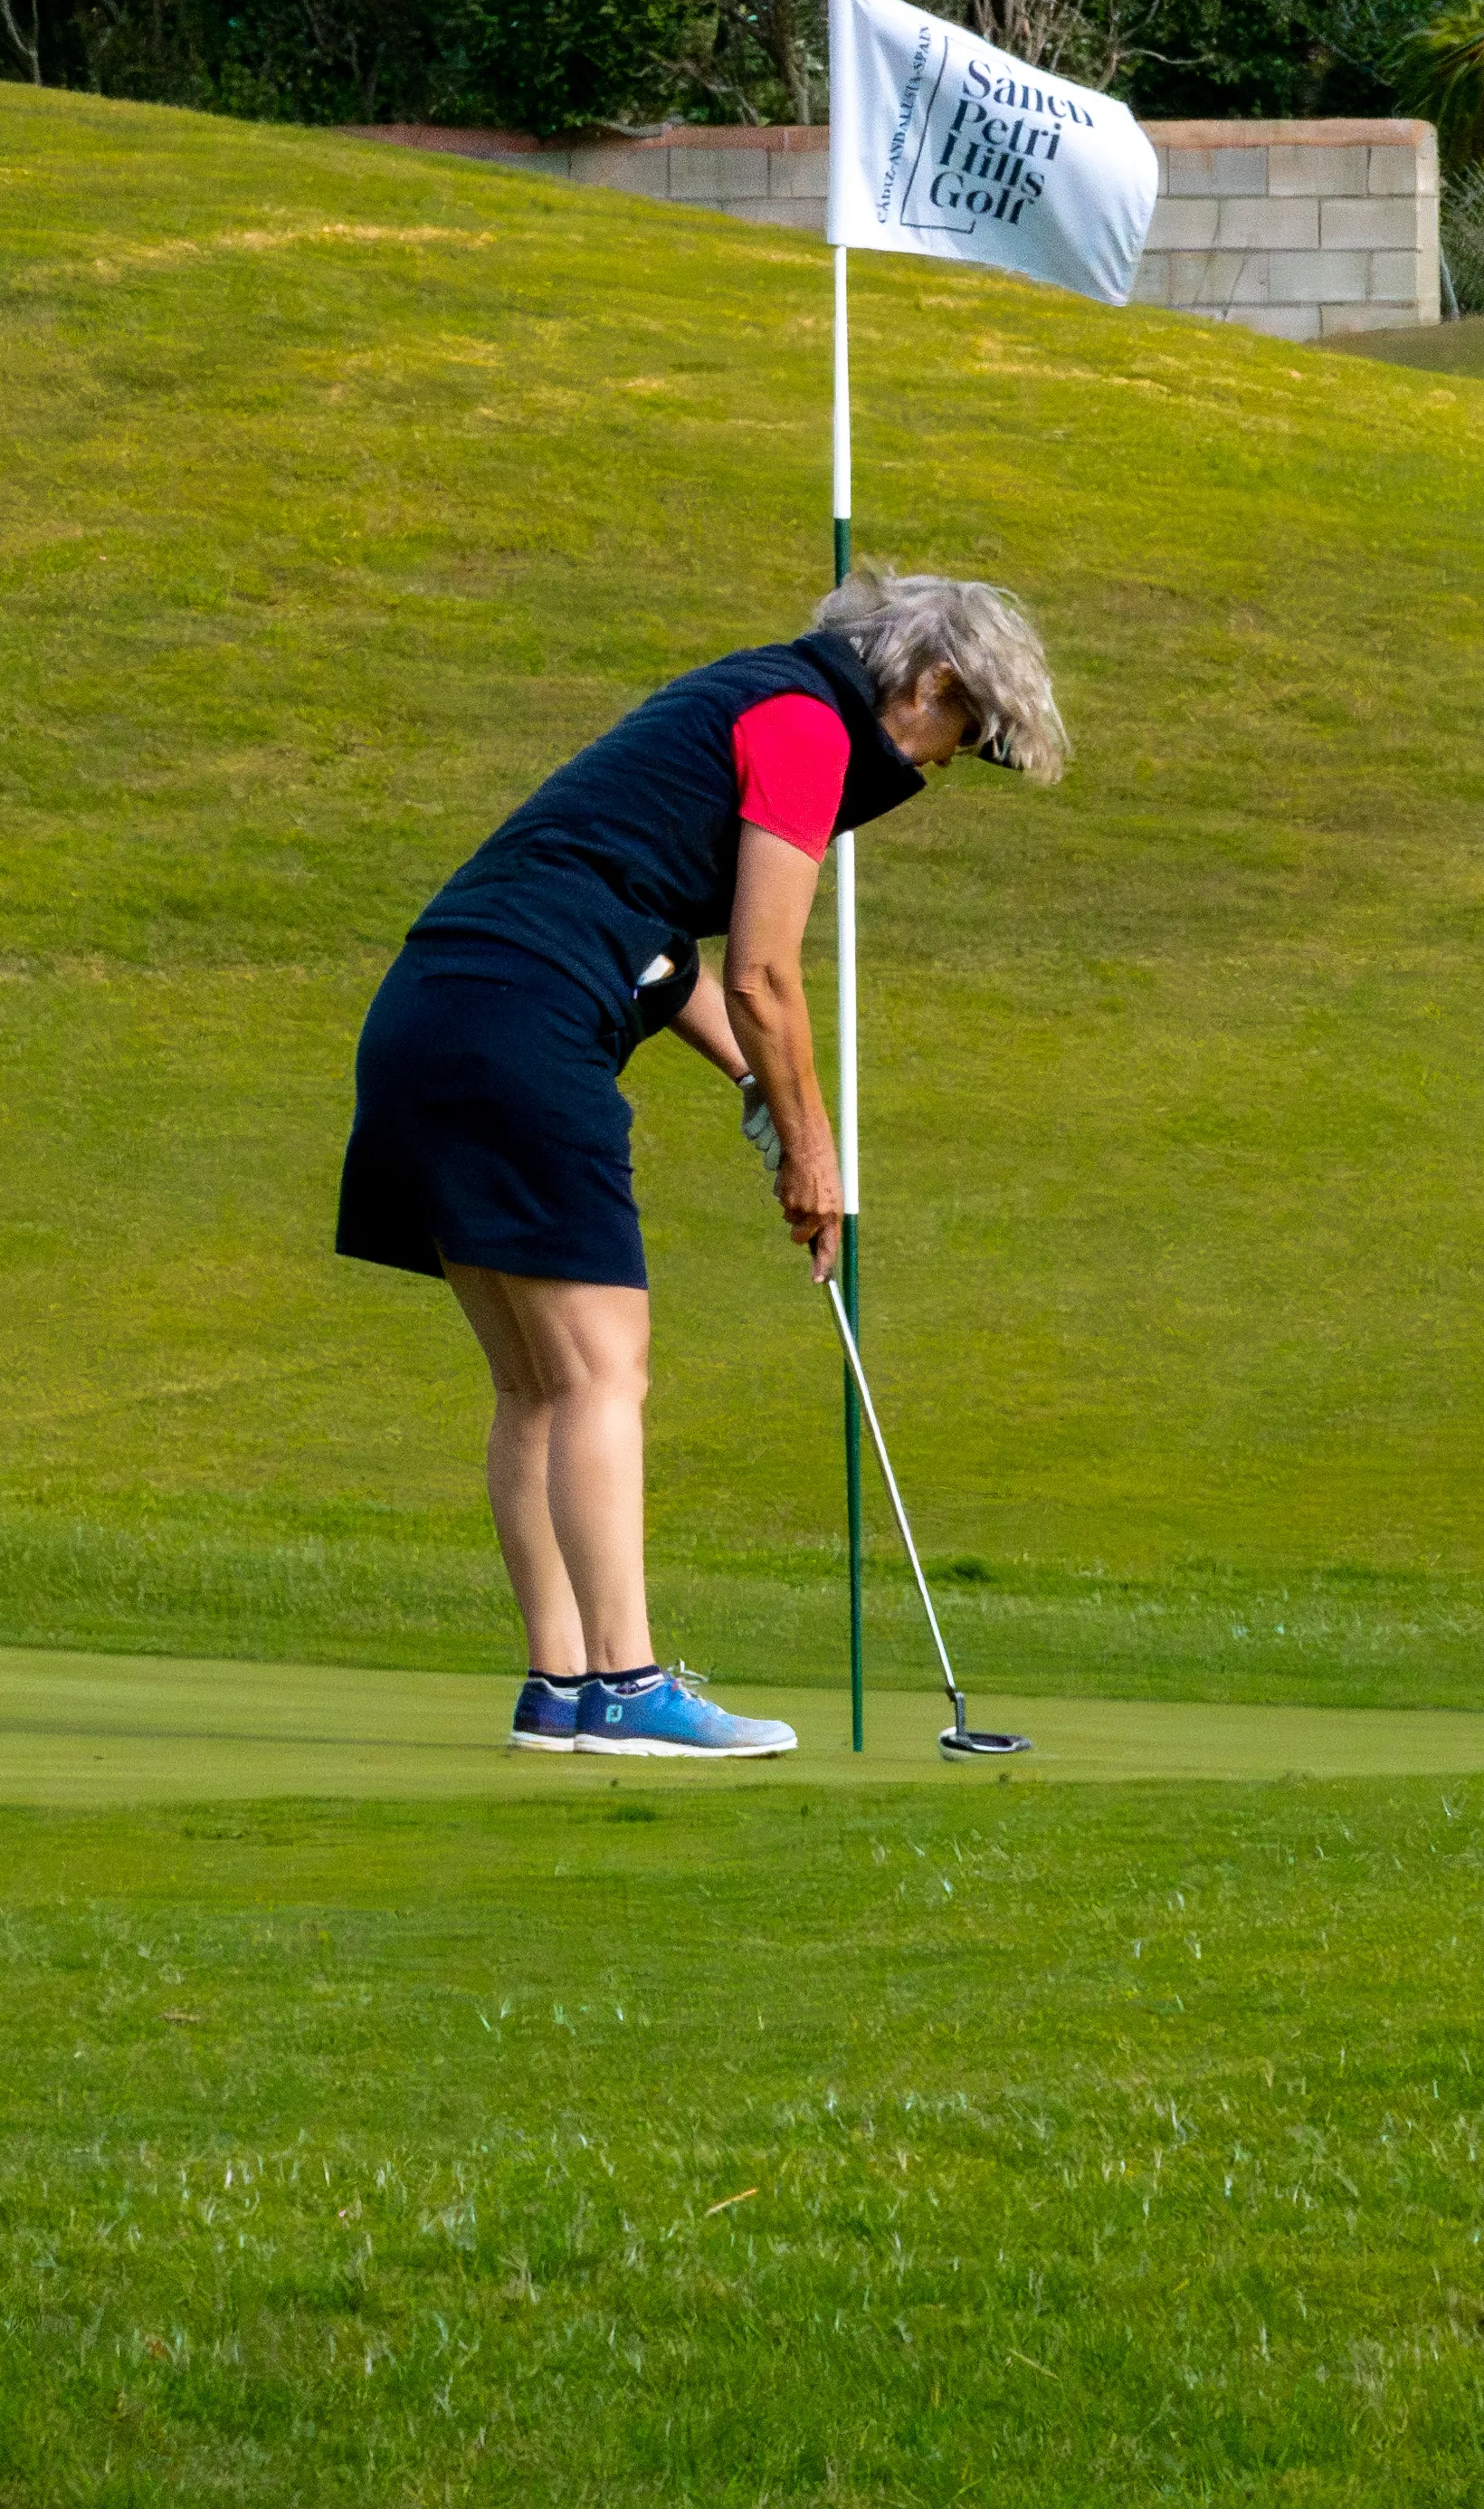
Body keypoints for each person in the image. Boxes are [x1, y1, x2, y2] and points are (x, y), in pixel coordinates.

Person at [337, 568, 1068, 1757]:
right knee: (602, 1372)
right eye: (963, 734)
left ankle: (563, 1686)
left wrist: (759, 1092)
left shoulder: (734, 698)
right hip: (524, 1030)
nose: (942, 766)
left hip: (428, 1017)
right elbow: (763, 974)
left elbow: (659, 950)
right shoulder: (805, 728)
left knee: (537, 1385)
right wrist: (812, 1153)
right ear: (931, 681)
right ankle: (627, 1684)